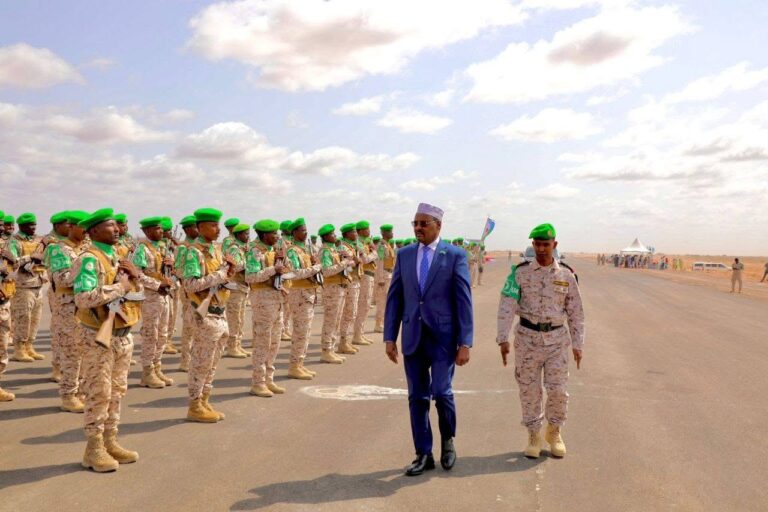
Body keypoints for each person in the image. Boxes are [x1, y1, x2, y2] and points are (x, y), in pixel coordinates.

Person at [384, 203, 473, 476]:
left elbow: (463, 300)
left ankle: (448, 441)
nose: (418, 228)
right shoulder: (405, 254)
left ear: (438, 225)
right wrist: (390, 336)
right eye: (415, 224)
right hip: (413, 337)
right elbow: (395, 297)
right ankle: (423, 453)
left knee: (442, 392)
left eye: (424, 223)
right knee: (417, 397)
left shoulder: (455, 255)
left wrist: (465, 342)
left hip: (443, 339)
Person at [496, 223, 584, 459]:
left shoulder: (566, 274)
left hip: (557, 341)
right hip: (527, 341)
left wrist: (578, 343)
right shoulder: (519, 273)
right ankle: (534, 434)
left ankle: (554, 431)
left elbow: (575, 311)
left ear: (554, 245)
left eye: (546, 244)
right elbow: (507, 305)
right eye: (537, 244)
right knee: (529, 390)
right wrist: (502, 338)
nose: (541, 248)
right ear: (533, 245)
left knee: (558, 390)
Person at [72, 208, 142, 472]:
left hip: (122, 334)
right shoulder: (89, 259)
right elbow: (82, 298)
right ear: (93, 232)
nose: (117, 229)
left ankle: (111, 440)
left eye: (116, 226)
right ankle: (94, 448)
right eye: (110, 226)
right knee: (99, 392)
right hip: (96, 336)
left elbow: (136, 294)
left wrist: (134, 278)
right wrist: (119, 287)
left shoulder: (118, 256)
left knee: (117, 391)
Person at [182, 208, 235, 423]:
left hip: (219, 311)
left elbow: (219, 277)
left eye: (218, 225)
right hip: (205, 314)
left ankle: (204, 399)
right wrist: (219, 275)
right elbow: (190, 284)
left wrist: (228, 271)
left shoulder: (216, 250)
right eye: (213, 225)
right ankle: (195, 404)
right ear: (200, 228)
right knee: (201, 362)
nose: (218, 229)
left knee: (212, 362)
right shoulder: (194, 252)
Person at [47, 210, 89, 412]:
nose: (86, 231)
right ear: (71, 227)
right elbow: (61, 279)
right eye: (83, 227)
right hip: (68, 307)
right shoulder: (59, 250)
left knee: (84, 351)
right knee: (71, 352)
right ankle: (68, 395)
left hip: (87, 305)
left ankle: (80, 391)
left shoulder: (86, 248)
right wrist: (85, 270)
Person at [245, 219, 289, 397]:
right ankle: (258, 382)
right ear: (264, 235)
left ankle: (269, 379)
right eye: (274, 234)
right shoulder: (255, 251)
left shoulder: (271, 250)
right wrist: (273, 270)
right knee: (263, 342)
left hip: (276, 299)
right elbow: (251, 276)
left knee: (274, 341)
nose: (277, 237)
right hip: (262, 300)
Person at [132, 217, 174, 389]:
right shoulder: (142, 249)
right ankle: (147, 371)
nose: (161, 231)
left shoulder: (163, 248)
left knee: (163, 334)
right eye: (156, 229)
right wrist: (157, 285)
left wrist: (172, 266)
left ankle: (157, 367)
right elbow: (136, 274)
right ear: (147, 231)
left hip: (164, 296)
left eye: (161, 228)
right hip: (151, 297)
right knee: (151, 334)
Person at [284, 218, 323, 379]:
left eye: (306, 230)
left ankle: (299, 363)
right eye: (302, 230)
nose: (305, 233)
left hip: (308, 292)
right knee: (300, 331)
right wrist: (314, 268)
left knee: (305, 331)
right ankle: (294, 366)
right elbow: (294, 273)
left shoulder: (306, 250)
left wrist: (314, 266)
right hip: (299, 293)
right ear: (294, 233)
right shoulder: (292, 251)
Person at [11, 213, 48, 362]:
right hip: (23, 286)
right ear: (21, 226)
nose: (33, 228)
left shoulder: (38, 240)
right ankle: (19, 349)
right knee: (23, 318)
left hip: (38, 283)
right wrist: (30, 258)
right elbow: (12, 262)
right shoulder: (14, 241)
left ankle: (29, 346)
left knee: (35, 319)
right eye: (29, 225)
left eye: (34, 225)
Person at [317, 224, 353, 364]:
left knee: (336, 321)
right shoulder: (325, 251)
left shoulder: (333, 250)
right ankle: (326, 351)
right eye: (332, 234)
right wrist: (343, 263)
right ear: (326, 237)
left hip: (339, 287)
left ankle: (331, 349)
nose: (335, 236)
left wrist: (346, 261)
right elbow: (326, 271)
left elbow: (345, 268)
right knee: (330, 321)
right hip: (332, 288)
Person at [174, 215, 199, 371]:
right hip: (188, 290)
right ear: (188, 229)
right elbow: (178, 270)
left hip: (201, 290)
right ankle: (185, 360)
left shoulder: (201, 246)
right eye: (196, 227)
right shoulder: (183, 248)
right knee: (189, 326)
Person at [223, 223, 251, 359]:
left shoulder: (242, 248)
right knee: (234, 318)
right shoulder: (234, 249)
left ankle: (238, 344)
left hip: (242, 286)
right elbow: (235, 265)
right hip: (235, 287)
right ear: (238, 235)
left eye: (248, 233)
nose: (248, 236)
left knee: (240, 318)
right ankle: (232, 346)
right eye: (245, 234)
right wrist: (249, 263)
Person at [351, 220, 378, 347]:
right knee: (363, 305)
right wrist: (374, 253)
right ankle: (357, 335)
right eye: (367, 229)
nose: (369, 231)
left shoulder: (366, 243)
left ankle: (360, 333)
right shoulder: (359, 244)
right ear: (361, 231)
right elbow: (365, 259)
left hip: (370, 275)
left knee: (366, 305)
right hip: (364, 276)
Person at [0, 211, 17, 402]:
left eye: (2, 224)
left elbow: (16, 269)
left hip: (4, 302)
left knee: (2, 348)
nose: (2, 228)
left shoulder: (6, 245)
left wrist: (11, 259)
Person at [374, 224, 396, 333]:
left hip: (389, 274)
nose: (391, 233)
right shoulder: (382, 245)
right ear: (383, 233)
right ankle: (379, 324)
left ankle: (382, 323)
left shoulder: (387, 245)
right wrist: (380, 278)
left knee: (387, 301)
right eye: (389, 231)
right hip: (384, 275)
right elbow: (380, 262)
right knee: (382, 301)